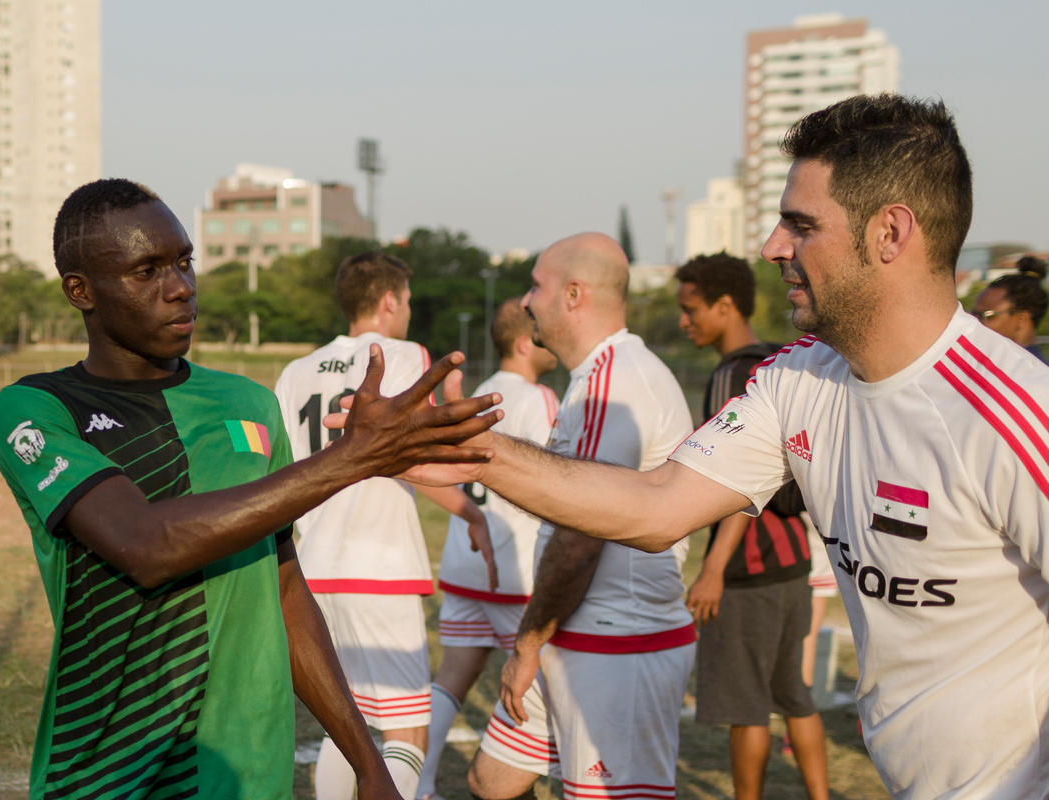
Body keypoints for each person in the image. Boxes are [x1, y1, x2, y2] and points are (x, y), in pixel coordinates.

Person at [395, 94, 1049, 799]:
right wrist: (455, 447)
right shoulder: (799, 378)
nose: (772, 246)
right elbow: (656, 505)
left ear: (890, 233)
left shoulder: (1013, 412)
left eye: (800, 225)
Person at [0, 179, 499, 800]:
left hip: (251, 778)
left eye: (183, 261)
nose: (180, 286)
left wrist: (367, 762)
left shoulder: (249, 402)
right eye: (147, 269)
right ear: (80, 291)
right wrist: (353, 459)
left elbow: (283, 586)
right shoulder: (35, 409)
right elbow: (145, 546)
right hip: (108, 775)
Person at [479, 233, 697, 800]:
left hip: (619, 641)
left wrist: (528, 641)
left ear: (574, 295)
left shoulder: (613, 383)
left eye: (536, 286)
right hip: (575, 630)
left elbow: (580, 537)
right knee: (492, 781)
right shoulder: (592, 379)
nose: (525, 301)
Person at [273, 251, 495, 800]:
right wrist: (470, 510)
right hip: (380, 566)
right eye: (410, 301)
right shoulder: (402, 355)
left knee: (345, 719)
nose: (410, 311)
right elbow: (413, 458)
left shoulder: (295, 371)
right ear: (390, 300)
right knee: (406, 729)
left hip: (313, 570)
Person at [676, 252, 828, 800]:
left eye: (690, 309)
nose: (683, 321)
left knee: (747, 709)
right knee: (796, 696)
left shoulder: (734, 373)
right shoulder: (783, 360)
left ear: (724, 305)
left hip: (749, 571)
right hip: (795, 562)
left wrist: (713, 567)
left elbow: (735, 482)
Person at [415, 298, 560, 800]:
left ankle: (421, 784)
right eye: (540, 333)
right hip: (513, 566)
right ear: (525, 343)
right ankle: (525, 782)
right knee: (539, 689)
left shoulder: (478, 391)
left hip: (465, 561)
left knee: (452, 676)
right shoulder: (538, 398)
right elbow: (556, 479)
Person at [971, 255, 1049, 363]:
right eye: (973, 315)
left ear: (1022, 319)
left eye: (987, 316)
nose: (976, 322)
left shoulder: (1035, 376)